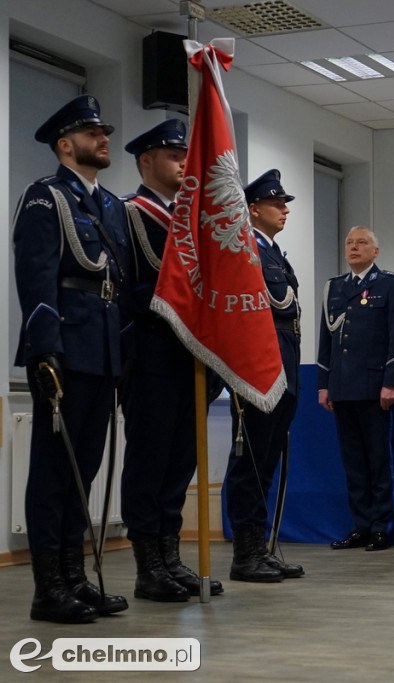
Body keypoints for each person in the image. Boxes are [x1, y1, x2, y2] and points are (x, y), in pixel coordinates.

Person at [13, 94, 130, 622]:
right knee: (53, 473)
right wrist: (44, 349)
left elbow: (118, 286)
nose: (103, 139)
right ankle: (48, 588)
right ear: (65, 145)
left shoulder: (111, 207)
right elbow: (36, 277)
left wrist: (123, 353)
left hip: (102, 352)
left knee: (85, 470)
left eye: (103, 132)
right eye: (91, 133)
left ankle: (76, 578)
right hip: (65, 350)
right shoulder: (45, 197)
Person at [120, 119, 224, 600]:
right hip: (151, 355)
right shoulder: (129, 214)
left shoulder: (194, 222)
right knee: (150, 461)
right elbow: (125, 288)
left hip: (192, 358)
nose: (184, 162)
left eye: (186, 154)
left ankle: (170, 557)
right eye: (173, 155)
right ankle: (148, 566)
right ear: (146, 161)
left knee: (181, 463)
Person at [224, 169, 304, 582]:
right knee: (249, 464)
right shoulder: (245, 251)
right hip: (258, 372)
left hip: (284, 369)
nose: (284, 209)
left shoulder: (274, 254)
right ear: (253, 210)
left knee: (267, 464)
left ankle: (261, 547)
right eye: (276, 203)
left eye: (285, 203)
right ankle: (245, 553)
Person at [318, 226, 394, 552]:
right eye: (349, 243)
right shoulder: (334, 287)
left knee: (377, 461)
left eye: (361, 243)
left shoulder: (390, 284)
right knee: (354, 463)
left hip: (374, 387)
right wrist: (324, 384)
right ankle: (360, 526)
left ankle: (380, 527)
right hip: (342, 387)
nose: (354, 247)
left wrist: (391, 381)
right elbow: (326, 339)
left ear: (376, 251)